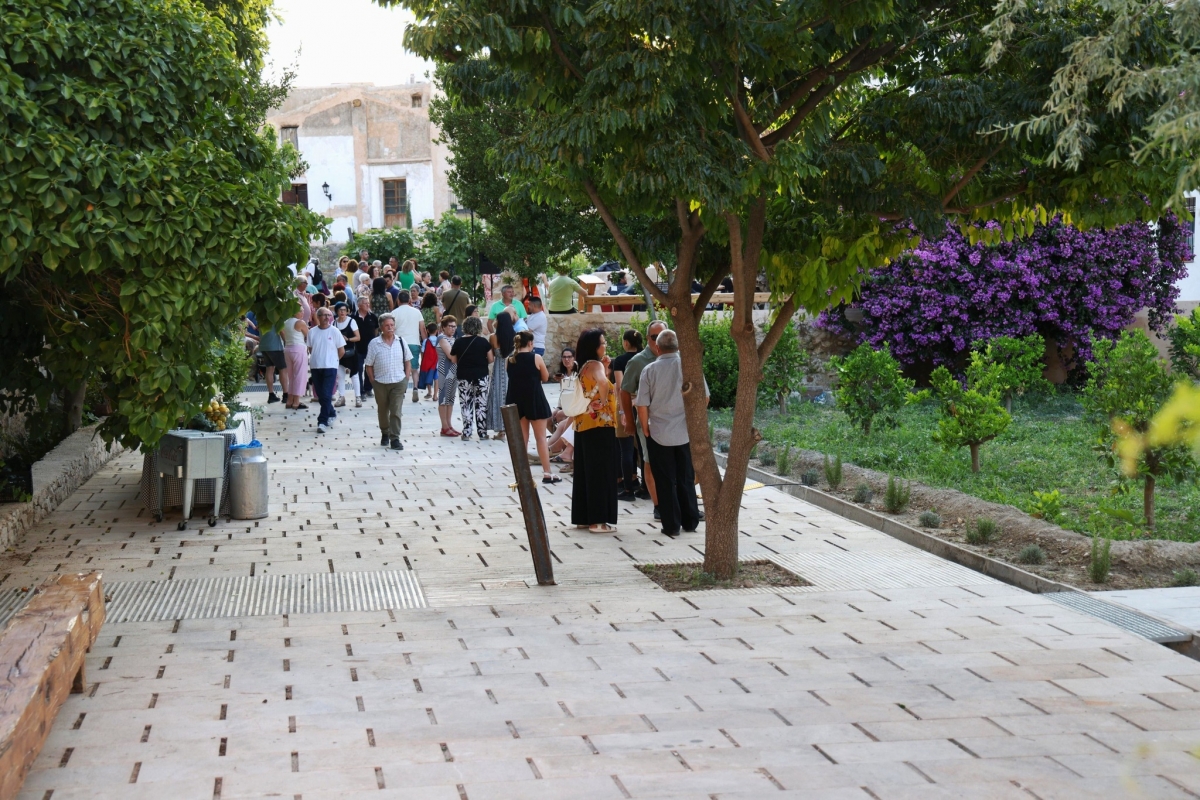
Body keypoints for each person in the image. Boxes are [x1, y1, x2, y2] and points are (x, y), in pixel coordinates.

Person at [635, 329, 704, 538]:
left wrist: (645, 427)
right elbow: (705, 398)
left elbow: (642, 404)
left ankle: (671, 525)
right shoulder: (690, 368)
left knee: (665, 480)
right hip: (685, 431)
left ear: (657, 348)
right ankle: (691, 520)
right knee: (686, 476)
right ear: (678, 346)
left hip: (658, 432)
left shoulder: (649, 370)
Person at [570, 328, 618, 533]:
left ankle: (584, 517)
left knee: (585, 471)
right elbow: (600, 384)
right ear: (595, 347)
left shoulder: (584, 366)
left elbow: (593, 386)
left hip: (583, 424)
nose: (605, 345)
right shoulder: (595, 364)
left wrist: (604, 372)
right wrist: (606, 401)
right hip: (600, 423)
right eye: (603, 342)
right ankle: (598, 521)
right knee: (601, 471)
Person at [621, 320, 668, 517]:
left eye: (662, 336)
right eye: (654, 337)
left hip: (674, 421)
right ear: (647, 338)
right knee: (649, 461)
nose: (658, 341)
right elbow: (625, 391)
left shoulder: (678, 358)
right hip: (648, 421)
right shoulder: (639, 361)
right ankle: (658, 505)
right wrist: (630, 421)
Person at [506, 331, 560, 484]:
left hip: (517, 401)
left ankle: (523, 474)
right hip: (534, 400)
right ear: (530, 343)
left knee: (522, 439)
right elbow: (545, 377)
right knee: (541, 438)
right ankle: (547, 473)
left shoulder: (510, 360)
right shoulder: (536, 358)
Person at [363, 313, 412, 450]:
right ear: (381, 328)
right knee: (383, 410)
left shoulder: (401, 341)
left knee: (396, 410)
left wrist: (406, 378)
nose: (390, 328)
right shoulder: (374, 343)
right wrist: (373, 381)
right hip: (380, 382)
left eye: (392, 325)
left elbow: (408, 361)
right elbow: (369, 364)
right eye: (387, 325)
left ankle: (395, 438)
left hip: (398, 381)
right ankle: (385, 432)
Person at [611, 329, 644, 500]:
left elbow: (620, 386)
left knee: (625, 448)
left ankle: (628, 488)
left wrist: (623, 409)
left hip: (626, 403)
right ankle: (645, 486)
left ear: (625, 343)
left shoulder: (620, 361)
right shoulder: (646, 358)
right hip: (644, 403)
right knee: (644, 449)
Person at [449, 316, 493, 441]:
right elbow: (491, 359)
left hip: (464, 376)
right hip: (481, 376)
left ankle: (467, 432)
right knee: (481, 404)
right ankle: (482, 433)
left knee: (466, 404)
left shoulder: (458, 342)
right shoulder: (483, 342)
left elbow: (453, 359)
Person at [307, 307, 346, 434]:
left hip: (330, 367)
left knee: (326, 394)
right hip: (316, 366)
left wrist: (333, 360)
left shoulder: (335, 331)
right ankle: (332, 413)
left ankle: (322, 421)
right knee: (320, 394)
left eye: (328, 315)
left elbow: (341, 351)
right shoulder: (312, 332)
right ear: (317, 317)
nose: (326, 317)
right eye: (323, 315)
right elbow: (311, 349)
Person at [487, 308, 517, 440]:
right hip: (511, 371)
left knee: (498, 398)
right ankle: (510, 428)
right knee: (509, 399)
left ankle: (501, 430)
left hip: (498, 372)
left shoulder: (493, 337)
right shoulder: (515, 337)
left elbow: (492, 356)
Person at [391, 290, 426, 403]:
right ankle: (415, 388)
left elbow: (392, 329)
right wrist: (425, 341)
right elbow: (422, 329)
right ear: (410, 300)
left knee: (401, 369)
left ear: (398, 300)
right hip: (414, 342)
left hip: (399, 343)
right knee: (414, 369)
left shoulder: (394, 313)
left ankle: (402, 390)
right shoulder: (417, 312)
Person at [332, 302, 361, 408]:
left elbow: (358, 337)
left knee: (354, 375)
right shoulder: (334, 323)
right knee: (340, 375)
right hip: (339, 353)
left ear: (347, 311)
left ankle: (358, 397)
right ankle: (341, 396)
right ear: (336, 312)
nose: (342, 312)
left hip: (351, 352)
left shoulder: (351, 321)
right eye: (340, 310)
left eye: (344, 310)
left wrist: (348, 339)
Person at [436, 316, 460, 436]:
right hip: (444, 369)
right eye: (450, 326)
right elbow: (450, 355)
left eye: (454, 326)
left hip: (453, 370)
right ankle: (444, 426)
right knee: (444, 398)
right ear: (444, 327)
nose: (452, 329)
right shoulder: (442, 338)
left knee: (450, 399)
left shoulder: (453, 338)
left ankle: (449, 424)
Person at [351, 296, 378, 400]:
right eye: (365, 303)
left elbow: (376, 330)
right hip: (357, 348)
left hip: (370, 348)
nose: (368, 305)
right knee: (358, 369)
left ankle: (368, 388)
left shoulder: (373, 317)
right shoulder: (353, 318)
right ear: (359, 305)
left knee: (370, 369)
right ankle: (360, 391)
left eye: (368, 303)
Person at [282, 309, 310, 411]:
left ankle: (290, 401)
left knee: (291, 376)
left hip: (288, 349)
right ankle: (296, 402)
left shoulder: (285, 322)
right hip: (298, 349)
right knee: (299, 376)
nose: (303, 313)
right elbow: (309, 335)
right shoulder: (300, 322)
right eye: (300, 311)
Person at [259, 322, 288, 404]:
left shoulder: (261, 316)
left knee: (269, 368)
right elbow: (281, 330)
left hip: (264, 345)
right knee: (283, 369)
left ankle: (271, 394)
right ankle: (286, 394)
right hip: (275, 346)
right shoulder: (275, 317)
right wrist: (287, 342)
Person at [418, 322, 439, 400]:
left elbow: (423, 352)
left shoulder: (426, 341)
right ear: (437, 331)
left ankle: (430, 392)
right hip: (436, 363)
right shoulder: (439, 340)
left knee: (428, 377)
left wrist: (423, 361)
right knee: (436, 379)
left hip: (428, 364)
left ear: (427, 331)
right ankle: (435, 395)